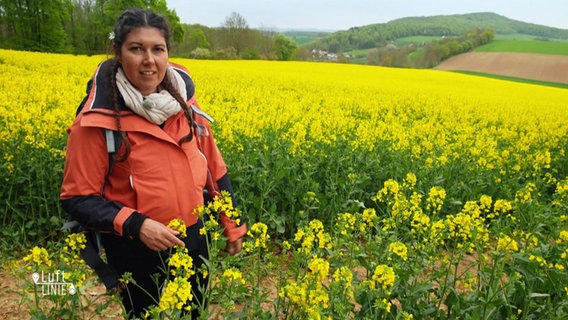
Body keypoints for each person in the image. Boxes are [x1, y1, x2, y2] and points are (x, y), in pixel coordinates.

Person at [60, 8, 246, 319]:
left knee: (194, 313)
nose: (149, 60)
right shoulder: (97, 121)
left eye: (157, 49)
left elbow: (214, 168)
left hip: (194, 237)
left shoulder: (185, 104)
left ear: (167, 54)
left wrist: (232, 223)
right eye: (136, 48)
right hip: (135, 248)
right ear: (119, 53)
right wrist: (138, 225)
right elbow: (76, 198)